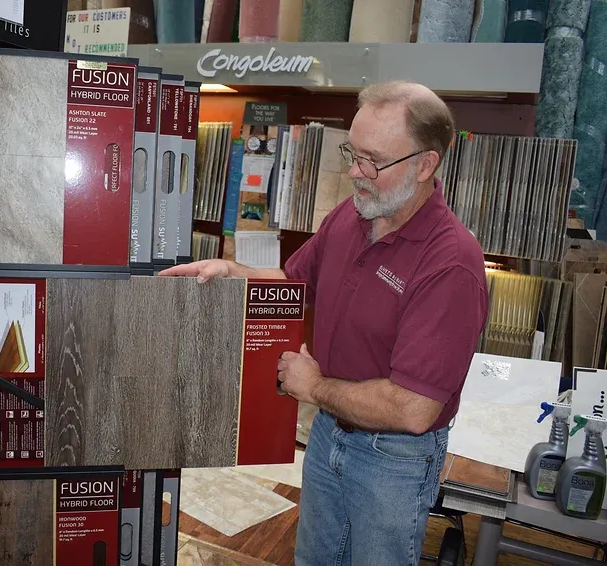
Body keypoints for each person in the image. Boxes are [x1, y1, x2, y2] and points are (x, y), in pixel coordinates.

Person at [159, 80, 489, 565]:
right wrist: (231, 272)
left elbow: (413, 408)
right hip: (330, 434)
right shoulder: (351, 218)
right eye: (351, 153)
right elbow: (292, 281)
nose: (355, 171)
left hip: (393, 460)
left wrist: (313, 388)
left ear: (425, 165)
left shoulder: (451, 263)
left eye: (372, 160)